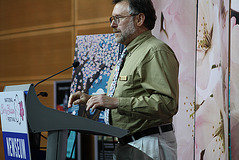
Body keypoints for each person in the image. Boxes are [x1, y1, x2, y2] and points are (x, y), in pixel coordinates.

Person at [68, 0, 179, 159]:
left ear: (139, 19)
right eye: (111, 19)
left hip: (148, 143)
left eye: (118, 18)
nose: (113, 25)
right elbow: (127, 97)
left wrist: (115, 102)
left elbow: (167, 104)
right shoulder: (129, 53)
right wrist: (92, 100)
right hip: (127, 144)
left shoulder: (155, 51)